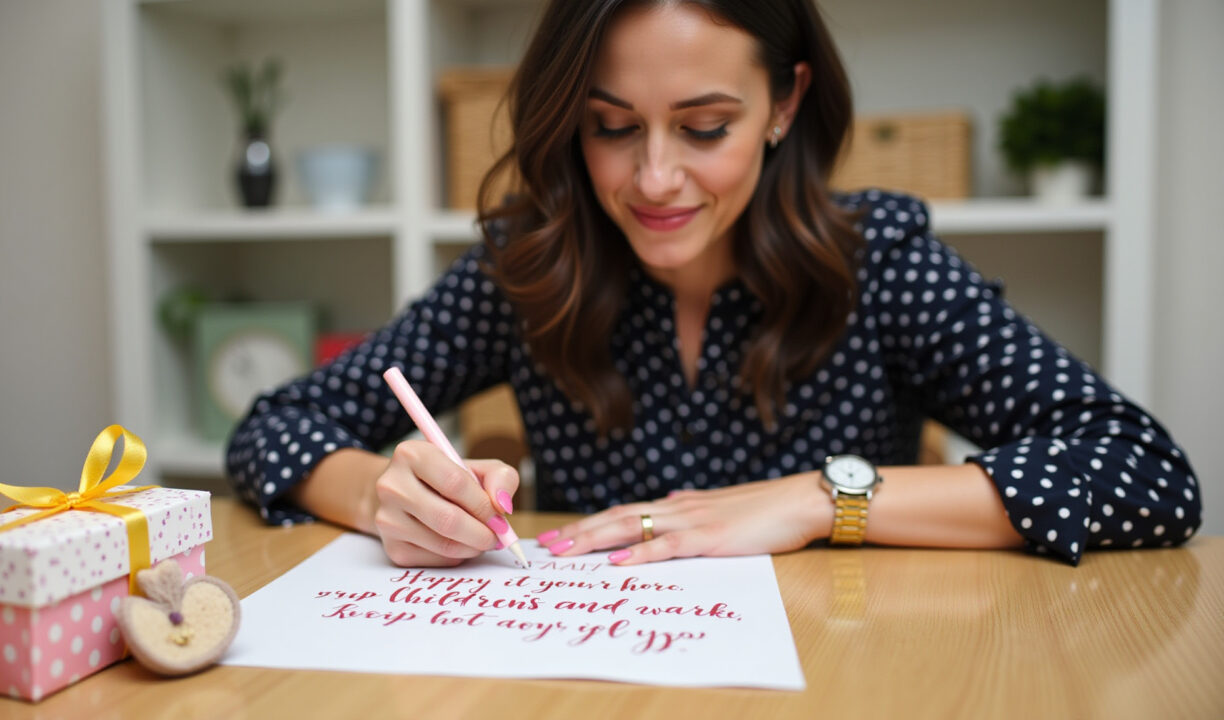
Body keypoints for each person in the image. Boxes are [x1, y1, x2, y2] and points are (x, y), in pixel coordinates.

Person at [225, 0, 1200, 568]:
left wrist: (821, 499)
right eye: (611, 126)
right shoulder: (532, 268)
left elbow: (1144, 473)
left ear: (783, 104)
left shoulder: (877, 266)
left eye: (703, 128)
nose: (652, 181)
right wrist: (385, 494)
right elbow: (271, 428)